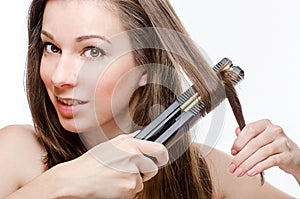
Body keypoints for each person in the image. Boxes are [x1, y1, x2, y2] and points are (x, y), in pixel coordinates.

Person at [0, 0, 299, 198]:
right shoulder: (16, 153)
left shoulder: (204, 173)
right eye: (51, 47)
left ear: (146, 65)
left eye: (93, 51)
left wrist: (297, 166)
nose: (59, 76)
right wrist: (65, 182)